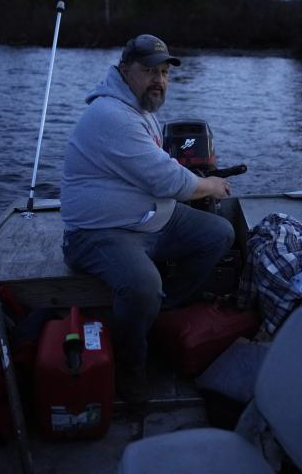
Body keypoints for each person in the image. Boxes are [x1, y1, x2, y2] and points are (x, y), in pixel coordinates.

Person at [60, 33, 235, 402]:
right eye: (149, 71)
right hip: (101, 232)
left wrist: (194, 184)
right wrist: (211, 185)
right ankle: (130, 365)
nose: (160, 80)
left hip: (155, 218)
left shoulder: (141, 111)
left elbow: (163, 170)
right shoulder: (111, 115)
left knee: (219, 234)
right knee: (143, 286)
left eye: (165, 73)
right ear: (125, 71)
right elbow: (168, 178)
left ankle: (159, 315)